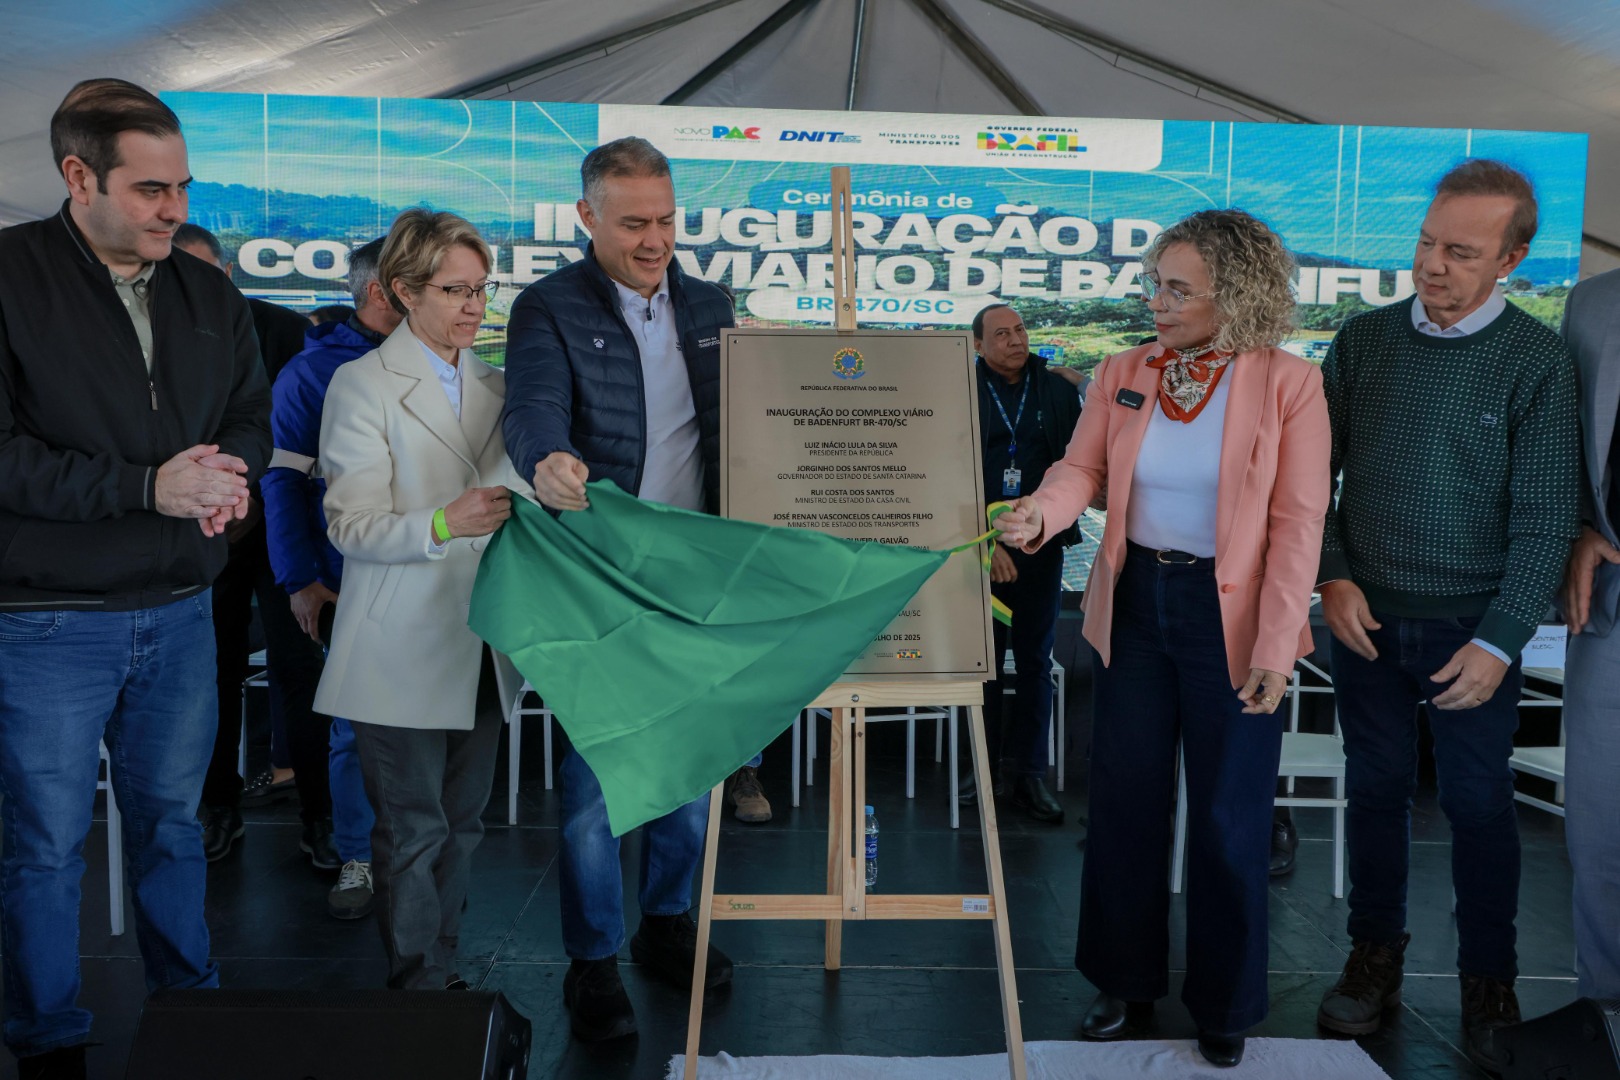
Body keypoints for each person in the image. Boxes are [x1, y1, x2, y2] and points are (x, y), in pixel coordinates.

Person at [995, 209, 1330, 1068]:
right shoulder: (1126, 369)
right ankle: (1123, 980)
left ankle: (1225, 1004)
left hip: (1235, 618)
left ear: (1236, 294)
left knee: (1228, 815)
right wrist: (1041, 513)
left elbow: (1299, 524)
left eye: (1179, 290)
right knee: (1125, 801)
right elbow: (1083, 470)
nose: (1158, 302)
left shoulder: (1290, 383)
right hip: (1137, 601)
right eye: (1155, 285)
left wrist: (1276, 643)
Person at [0, 79, 269, 1078]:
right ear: (79, 177)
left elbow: (249, 411)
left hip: (182, 612)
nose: (174, 209)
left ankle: (186, 1015)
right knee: (43, 847)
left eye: (183, 186)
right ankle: (48, 1043)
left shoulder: (208, 291)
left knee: (174, 828)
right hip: (47, 620)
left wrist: (226, 474)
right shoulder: (10, 277)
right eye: (151, 189)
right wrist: (147, 487)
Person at [1312, 160, 1579, 1074]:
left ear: (1512, 259)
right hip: (1365, 619)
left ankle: (1489, 981)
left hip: (1473, 627)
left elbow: (1547, 515)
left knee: (1477, 804)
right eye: (1427, 242)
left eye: (1461, 252)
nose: (1432, 264)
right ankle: (1372, 958)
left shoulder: (1537, 361)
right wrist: (1332, 575)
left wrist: (1501, 640)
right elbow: (1312, 479)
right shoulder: (1363, 341)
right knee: (1376, 791)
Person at [503, 135, 735, 1042]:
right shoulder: (547, 305)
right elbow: (531, 405)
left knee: (692, 762)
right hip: (598, 568)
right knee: (596, 774)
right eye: (634, 222)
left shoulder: (710, 303)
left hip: (696, 571)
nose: (655, 240)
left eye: (667, 220)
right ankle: (593, 961)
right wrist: (545, 459)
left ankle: (667, 922)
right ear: (586, 217)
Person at [315, 208, 514, 990]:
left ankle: (444, 977)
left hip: (483, 639)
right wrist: (441, 522)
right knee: (413, 832)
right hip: (398, 645)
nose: (474, 306)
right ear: (403, 290)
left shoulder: (498, 384)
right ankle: (419, 992)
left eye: (481, 289)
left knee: (462, 828)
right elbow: (350, 524)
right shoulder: (360, 384)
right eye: (455, 290)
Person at [171, 223, 339, 870]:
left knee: (300, 667)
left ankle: (320, 816)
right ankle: (218, 807)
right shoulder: (151, 335)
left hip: (277, 527)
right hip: (201, 529)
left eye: (201, 272)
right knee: (211, 672)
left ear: (226, 273)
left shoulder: (281, 329)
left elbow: (300, 437)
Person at [263, 236, 402, 920]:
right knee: (353, 727)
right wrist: (299, 579)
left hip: (440, 575)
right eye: (428, 280)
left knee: (437, 732)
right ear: (381, 291)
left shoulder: (453, 366)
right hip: (349, 577)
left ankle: (421, 863)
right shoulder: (312, 373)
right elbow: (282, 481)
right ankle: (357, 857)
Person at [957, 303, 1080, 824]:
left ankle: (1029, 775)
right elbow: (948, 472)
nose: (1015, 340)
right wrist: (988, 545)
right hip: (980, 550)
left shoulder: (1055, 390)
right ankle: (981, 771)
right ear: (978, 345)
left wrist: (1031, 531)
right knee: (982, 665)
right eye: (1001, 334)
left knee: (1034, 663)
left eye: (1020, 330)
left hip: (1041, 546)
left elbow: (1077, 468)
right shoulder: (960, 391)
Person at [1557, 268, 1620, 1000]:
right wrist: (1577, 526)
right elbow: (1562, 442)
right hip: (1611, 600)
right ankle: (1606, 1019)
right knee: (1600, 835)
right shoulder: (1596, 302)